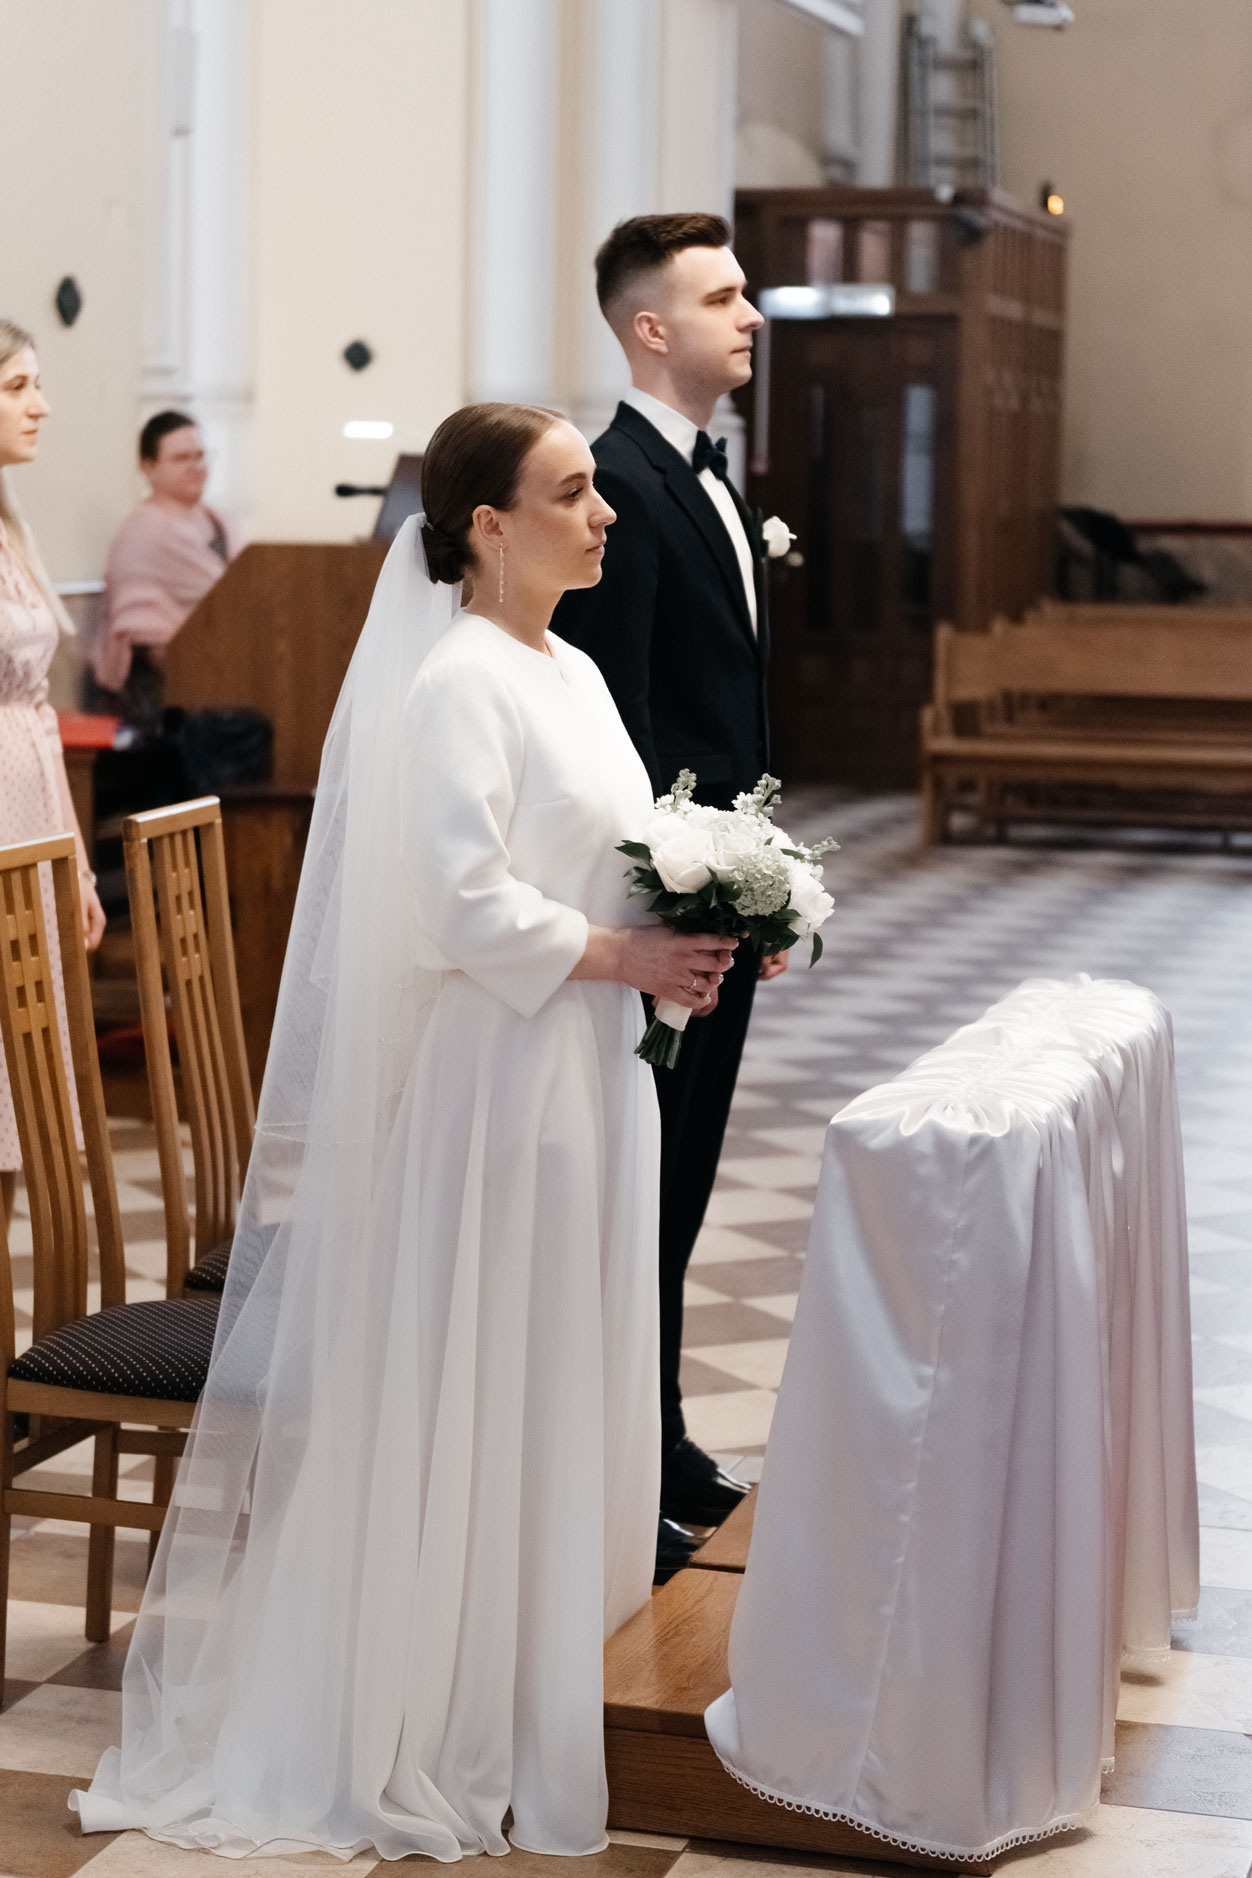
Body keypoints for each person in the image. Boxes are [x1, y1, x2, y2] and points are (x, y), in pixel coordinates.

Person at [71, 402, 735, 1861]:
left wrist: (706, 913)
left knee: (567, 1355)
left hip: (584, 1072)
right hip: (501, 1082)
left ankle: (548, 1651)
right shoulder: (456, 685)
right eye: (573, 492)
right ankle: (447, 1693)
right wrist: (624, 957)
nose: (605, 511)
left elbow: (609, 856)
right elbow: (459, 902)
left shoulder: (565, 667)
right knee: (493, 1357)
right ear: (489, 524)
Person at [555, 214, 782, 1577]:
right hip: (666, 914)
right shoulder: (619, 480)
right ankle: (617, 1460)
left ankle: (667, 1425)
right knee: (640, 1183)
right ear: (652, 328)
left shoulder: (710, 475)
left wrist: (763, 884)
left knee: (685, 1180)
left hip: (727, 898)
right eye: (722, 294)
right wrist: (670, 903)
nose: (749, 314)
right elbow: (622, 722)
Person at [0, 320, 106, 1224]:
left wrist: (70, 855)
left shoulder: (8, 516)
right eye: (16, 387)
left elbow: (34, 708)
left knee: (18, 1100)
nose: (40, 405)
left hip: (27, 800)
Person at [90, 410, 242, 721]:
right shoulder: (141, 534)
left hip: (230, 674)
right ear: (149, 467)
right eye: (182, 457)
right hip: (164, 694)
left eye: (200, 455)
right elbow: (143, 631)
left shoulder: (222, 521)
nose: (196, 466)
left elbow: (248, 593)